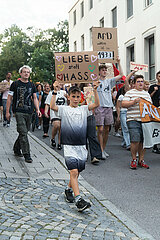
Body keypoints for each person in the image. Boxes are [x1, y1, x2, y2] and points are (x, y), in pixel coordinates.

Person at [50, 81, 100, 212]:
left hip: (81, 146)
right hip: (69, 145)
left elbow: (96, 104)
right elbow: (52, 106)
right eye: (73, 96)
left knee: (77, 172)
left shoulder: (84, 109)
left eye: (78, 97)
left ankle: (68, 189)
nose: (76, 99)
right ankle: (79, 200)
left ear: (81, 97)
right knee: (73, 172)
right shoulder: (64, 109)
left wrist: (95, 90)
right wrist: (55, 91)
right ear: (69, 97)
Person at [6, 65, 41, 163]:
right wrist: (7, 111)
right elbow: (9, 98)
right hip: (18, 111)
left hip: (29, 112)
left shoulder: (32, 85)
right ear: (20, 73)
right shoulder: (15, 84)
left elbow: (34, 98)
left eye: (28, 72)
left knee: (24, 132)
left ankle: (17, 148)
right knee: (23, 132)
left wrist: (37, 110)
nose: (26, 73)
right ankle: (27, 154)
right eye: (24, 72)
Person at [95, 57, 124, 159]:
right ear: (98, 72)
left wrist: (119, 62)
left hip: (109, 107)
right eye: (103, 70)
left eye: (105, 70)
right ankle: (100, 149)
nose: (105, 71)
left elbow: (121, 75)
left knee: (107, 128)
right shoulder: (95, 81)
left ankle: (103, 148)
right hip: (99, 107)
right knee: (101, 129)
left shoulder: (109, 81)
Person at [122, 75, 152, 169]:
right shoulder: (129, 93)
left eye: (142, 81)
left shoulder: (146, 94)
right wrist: (134, 101)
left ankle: (141, 160)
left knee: (143, 140)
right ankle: (134, 159)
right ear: (134, 84)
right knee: (135, 139)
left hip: (145, 120)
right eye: (138, 81)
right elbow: (123, 104)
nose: (140, 83)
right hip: (133, 119)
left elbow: (150, 107)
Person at [45, 80, 67, 150]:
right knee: (57, 125)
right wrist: (46, 112)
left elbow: (69, 102)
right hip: (54, 113)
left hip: (63, 112)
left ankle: (60, 143)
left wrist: (68, 97)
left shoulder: (64, 92)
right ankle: (53, 138)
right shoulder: (51, 93)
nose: (59, 85)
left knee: (61, 128)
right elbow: (47, 103)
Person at [148, 71, 160, 154]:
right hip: (154, 109)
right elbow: (148, 97)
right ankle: (155, 146)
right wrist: (154, 91)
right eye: (159, 76)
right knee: (156, 127)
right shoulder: (153, 86)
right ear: (156, 77)